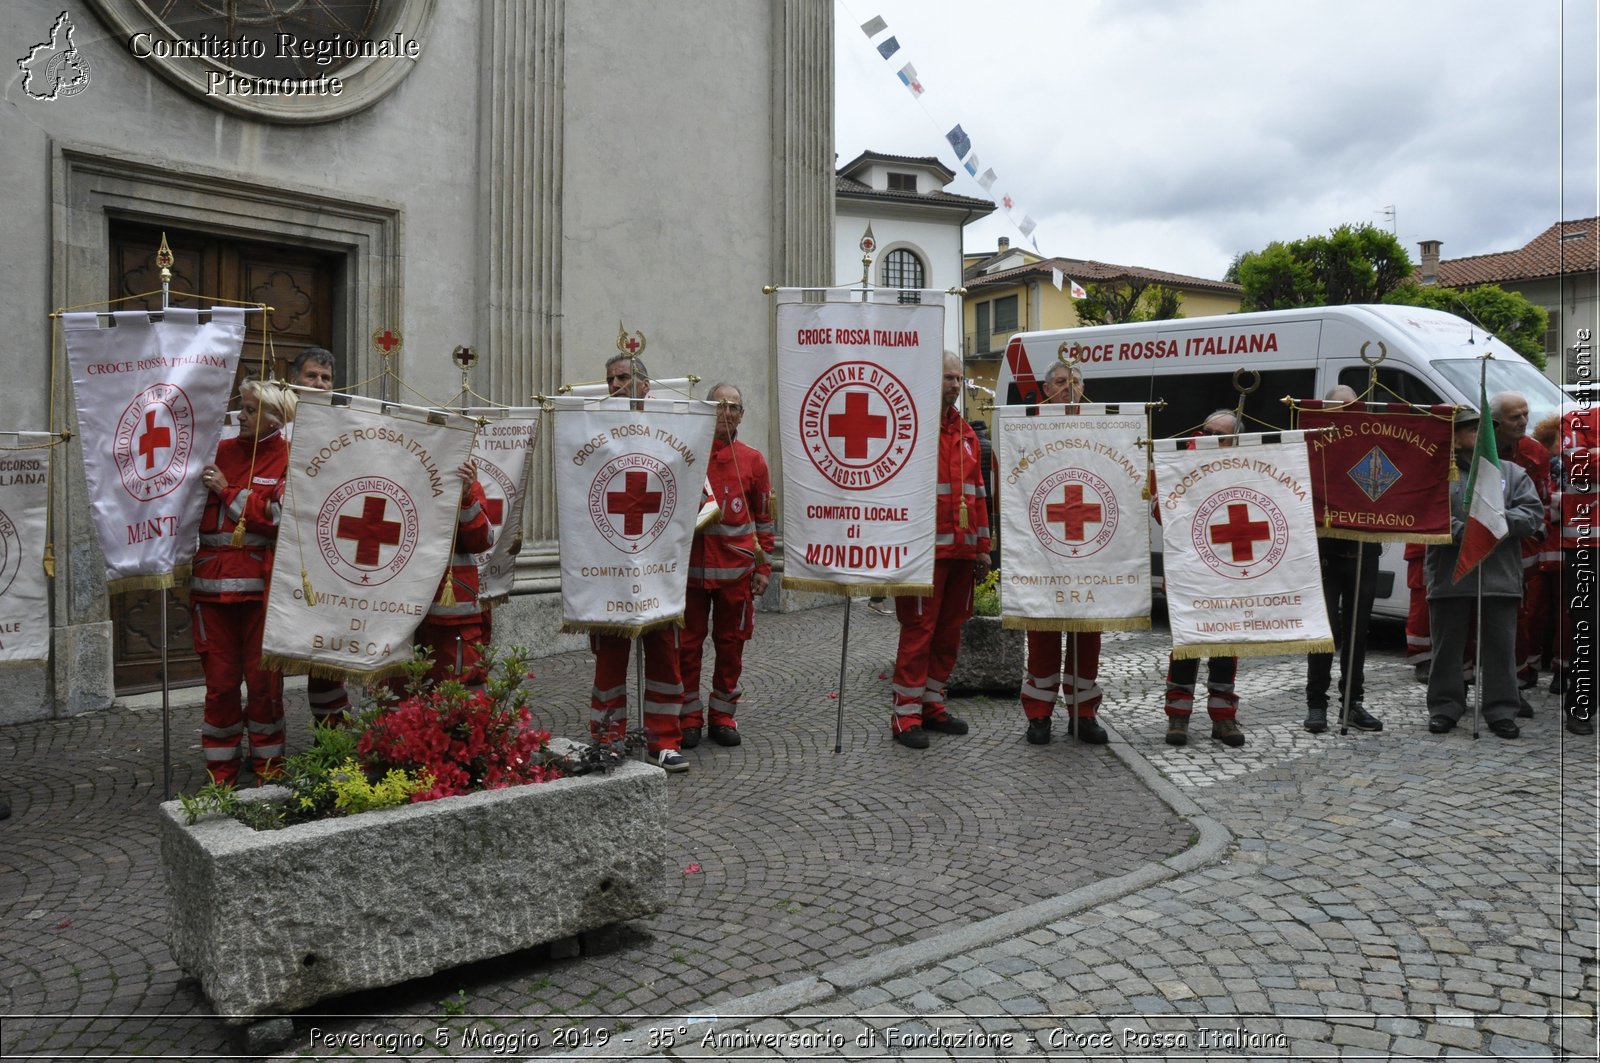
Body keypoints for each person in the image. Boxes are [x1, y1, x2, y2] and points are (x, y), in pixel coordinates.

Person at [192, 380, 297, 783]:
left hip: (262, 592)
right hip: (211, 589)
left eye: (252, 409)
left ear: (276, 416)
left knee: (263, 684)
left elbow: (278, 519)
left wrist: (227, 491)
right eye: (243, 407)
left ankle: (269, 768)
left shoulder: (291, 458)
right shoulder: (218, 452)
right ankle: (221, 772)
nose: (242, 415)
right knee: (219, 685)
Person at [589, 354, 690, 772]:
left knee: (665, 657)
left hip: (659, 568)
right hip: (610, 567)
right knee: (610, 659)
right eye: (610, 378)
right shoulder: (590, 431)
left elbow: (697, 498)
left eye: (625, 377)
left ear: (646, 384)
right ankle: (607, 739)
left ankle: (664, 740)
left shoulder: (673, 430)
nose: (615, 384)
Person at [890, 353, 992, 749]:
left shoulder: (967, 434)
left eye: (958, 378)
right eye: (948, 377)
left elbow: (978, 496)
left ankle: (932, 705)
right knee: (918, 634)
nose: (954, 384)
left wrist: (983, 547)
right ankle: (904, 716)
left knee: (949, 635)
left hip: (962, 555)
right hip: (924, 556)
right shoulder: (913, 430)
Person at [1424, 417, 1543, 738]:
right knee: (1447, 647)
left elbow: (1532, 514)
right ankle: (1445, 706)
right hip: (1451, 576)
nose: (1480, 436)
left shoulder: (1512, 474)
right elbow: (1428, 515)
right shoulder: (1438, 473)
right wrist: (1469, 532)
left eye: (1485, 430)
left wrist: (1494, 525)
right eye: (1472, 429)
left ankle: (1501, 708)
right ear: (1456, 437)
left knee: (1500, 647)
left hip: (1499, 577)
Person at [678, 382, 774, 748]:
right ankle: (687, 717)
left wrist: (764, 568)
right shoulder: (688, 456)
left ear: (742, 415)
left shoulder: (753, 461)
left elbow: (764, 520)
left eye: (734, 407)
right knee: (686, 648)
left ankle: (722, 715)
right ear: (708, 411)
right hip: (691, 575)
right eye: (720, 406)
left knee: (731, 646)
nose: (727, 413)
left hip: (737, 576)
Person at [1017, 360, 1107, 746]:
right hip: (1042, 547)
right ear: (1044, 386)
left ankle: (1083, 713)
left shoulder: (1104, 427)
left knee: (1087, 634)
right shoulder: (1027, 428)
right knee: (1043, 632)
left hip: (1090, 545)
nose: (1067, 388)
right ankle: (1039, 715)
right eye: (1059, 381)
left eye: (1074, 382)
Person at [1163, 410, 1245, 748]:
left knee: (1226, 648)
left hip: (1228, 574)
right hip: (1188, 574)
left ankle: (1223, 720)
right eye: (1206, 430)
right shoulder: (1179, 465)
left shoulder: (1245, 471)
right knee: (1186, 647)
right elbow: (1159, 508)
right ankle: (1178, 718)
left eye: (1220, 435)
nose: (1210, 438)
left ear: (1234, 442)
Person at [1304, 386, 1383, 734]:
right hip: (1325, 550)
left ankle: (1352, 702)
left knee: (1358, 632)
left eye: (1351, 408)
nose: (1344, 414)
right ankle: (1316, 705)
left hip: (1364, 549)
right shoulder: (1314, 444)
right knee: (1324, 633)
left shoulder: (1372, 441)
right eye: (1338, 408)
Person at [288, 347, 351, 728]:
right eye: (312, 376)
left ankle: (332, 734)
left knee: (325, 653)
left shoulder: (343, 426)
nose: (319, 384)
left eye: (326, 378)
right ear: (294, 379)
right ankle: (266, 753)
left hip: (325, 557)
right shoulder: (269, 423)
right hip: (278, 555)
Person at [402, 460, 495, 690]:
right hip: (399, 608)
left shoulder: (465, 482)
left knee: (458, 692)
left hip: (452, 615)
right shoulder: (396, 473)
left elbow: (482, 540)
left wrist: (465, 497)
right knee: (399, 692)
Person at [1490, 391, 1553, 702]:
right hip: (1480, 542)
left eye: (1526, 414)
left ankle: (1518, 677)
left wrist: (1536, 533)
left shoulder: (1536, 452)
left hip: (1521, 543)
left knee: (1521, 614)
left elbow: (1543, 501)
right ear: (1496, 422)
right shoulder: (1478, 445)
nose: (1524, 421)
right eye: (1516, 417)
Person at [1558, 401, 1597, 734]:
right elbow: (1580, 464)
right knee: (1589, 630)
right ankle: (1581, 706)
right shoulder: (1577, 419)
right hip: (1588, 548)